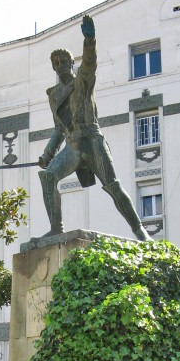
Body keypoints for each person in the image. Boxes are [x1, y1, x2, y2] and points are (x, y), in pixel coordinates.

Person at [38, 14, 151, 241]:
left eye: (64, 61)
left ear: (72, 64)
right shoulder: (53, 95)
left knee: (113, 186)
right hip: (72, 146)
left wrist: (89, 42)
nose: (60, 65)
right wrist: (48, 153)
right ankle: (55, 228)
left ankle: (140, 231)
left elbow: (89, 64)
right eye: (56, 63)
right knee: (48, 177)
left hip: (91, 140)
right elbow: (59, 128)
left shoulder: (82, 81)